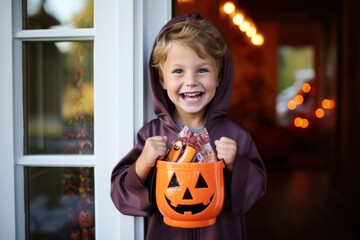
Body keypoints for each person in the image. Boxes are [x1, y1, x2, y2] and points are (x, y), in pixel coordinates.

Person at [111, 12, 267, 240]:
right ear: (162, 79)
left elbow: (256, 189)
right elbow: (120, 194)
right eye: (178, 71)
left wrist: (236, 164)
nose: (191, 80)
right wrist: (143, 164)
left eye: (202, 70)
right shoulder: (151, 135)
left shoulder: (235, 136)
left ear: (220, 76)